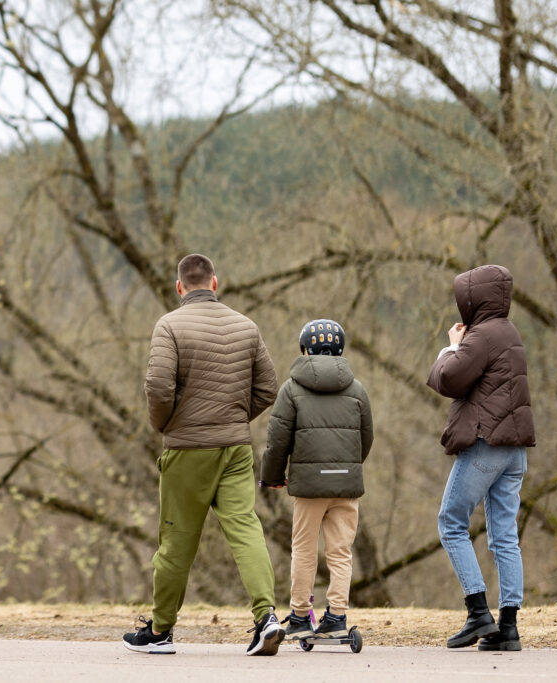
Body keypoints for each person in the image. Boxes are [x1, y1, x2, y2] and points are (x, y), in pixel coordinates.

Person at [123, 253, 284, 656]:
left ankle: (160, 632)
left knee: (177, 541)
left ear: (180, 287)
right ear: (215, 283)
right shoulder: (245, 326)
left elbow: (158, 388)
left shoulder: (169, 325)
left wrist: (167, 426)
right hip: (235, 448)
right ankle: (267, 617)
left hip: (187, 450)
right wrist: (231, 419)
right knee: (246, 529)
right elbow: (267, 388)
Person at [426, 264, 536, 652]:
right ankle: (508, 627)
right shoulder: (509, 332)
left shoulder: (482, 337)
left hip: (486, 445)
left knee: (451, 522)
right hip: (515, 450)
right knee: (505, 535)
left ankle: (477, 612)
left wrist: (451, 346)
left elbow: (449, 379)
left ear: (476, 300)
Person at [259, 319, 373, 642]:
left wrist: (272, 476)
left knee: (305, 549)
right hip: (346, 486)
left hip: (309, 487)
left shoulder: (292, 389)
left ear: (305, 349)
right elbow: (366, 438)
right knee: (340, 552)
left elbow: (277, 439)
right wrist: (347, 467)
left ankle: (298, 615)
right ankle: (336, 615)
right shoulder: (358, 390)